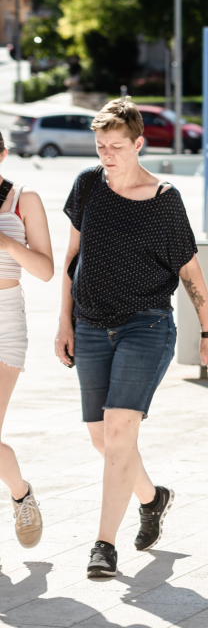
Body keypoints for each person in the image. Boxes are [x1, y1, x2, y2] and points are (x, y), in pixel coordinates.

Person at [54, 99, 208, 579]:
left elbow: (190, 269)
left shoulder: (164, 199)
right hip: (88, 324)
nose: (107, 155)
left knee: (120, 431)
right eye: (100, 146)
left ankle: (103, 545)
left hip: (145, 326)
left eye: (116, 147)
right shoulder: (88, 185)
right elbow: (72, 259)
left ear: (138, 144)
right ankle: (153, 498)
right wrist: (63, 322)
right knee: (101, 438)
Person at [0, 133, 52, 550]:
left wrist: (4, 242)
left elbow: (46, 270)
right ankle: (20, 492)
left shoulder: (23, 198)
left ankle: (20, 492)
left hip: (4, 321)